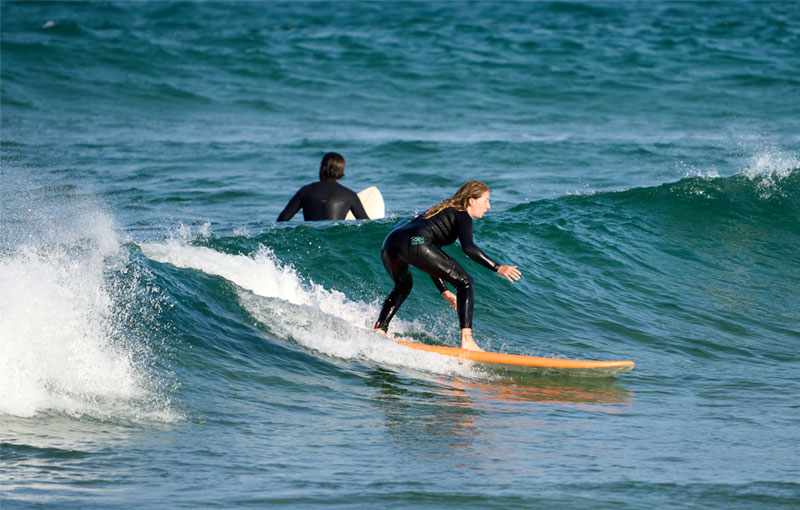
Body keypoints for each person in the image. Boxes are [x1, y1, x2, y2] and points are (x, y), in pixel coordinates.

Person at [374, 180, 521, 351]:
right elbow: (469, 248)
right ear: (471, 200)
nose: (488, 206)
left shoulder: (442, 211)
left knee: (403, 285)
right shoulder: (462, 214)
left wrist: (445, 292)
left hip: (392, 242)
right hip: (418, 241)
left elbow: (429, 257)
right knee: (465, 282)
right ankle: (467, 341)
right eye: (486, 200)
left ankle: (380, 330)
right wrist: (498, 267)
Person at [277, 152, 369, 221]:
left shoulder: (305, 191)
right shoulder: (350, 195)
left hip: (311, 240)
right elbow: (366, 223)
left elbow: (282, 219)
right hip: (336, 241)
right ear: (341, 171)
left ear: (322, 168)